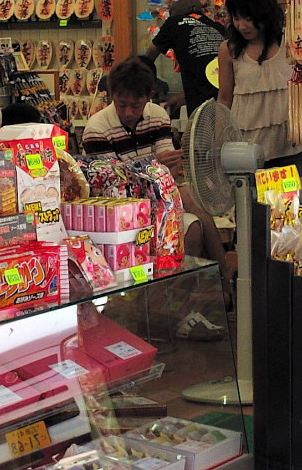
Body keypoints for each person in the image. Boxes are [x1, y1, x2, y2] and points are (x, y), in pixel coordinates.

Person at [82, 55, 229, 340]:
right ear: (111, 96)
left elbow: (167, 172)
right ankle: (222, 286)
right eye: (121, 104)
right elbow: (108, 182)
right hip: (121, 211)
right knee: (193, 207)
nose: (128, 111)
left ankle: (182, 308)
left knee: (195, 222)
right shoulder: (97, 128)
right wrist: (154, 165)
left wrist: (164, 165)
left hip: (160, 199)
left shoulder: (158, 116)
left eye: (135, 105)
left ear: (148, 97)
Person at [217, 0, 302, 185]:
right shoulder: (229, 50)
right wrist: (219, 140)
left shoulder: (291, 43)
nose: (242, 26)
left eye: (249, 18)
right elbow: (224, 100)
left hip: (292, 149)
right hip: (245, 153)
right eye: (236, 18)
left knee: (299, 209)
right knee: (251, 212)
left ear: (265, 14)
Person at [143, 0, 225, 118]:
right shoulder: (218, 27)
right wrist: (183, 95)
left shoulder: (174, 22)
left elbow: (149, 56)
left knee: (199, 132)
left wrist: (144, 92)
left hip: (200, 104)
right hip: (225, 95)